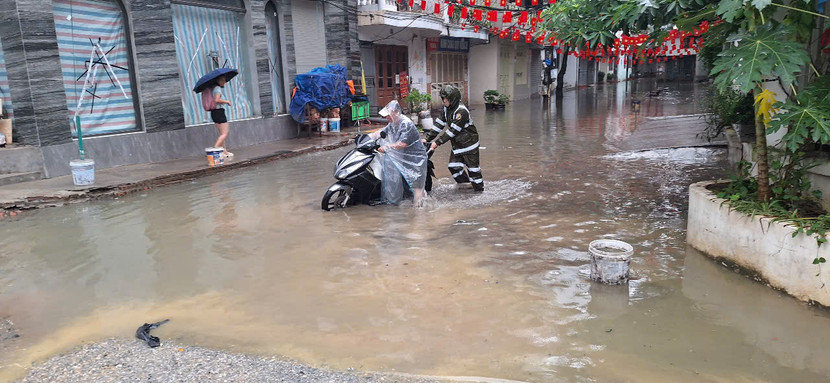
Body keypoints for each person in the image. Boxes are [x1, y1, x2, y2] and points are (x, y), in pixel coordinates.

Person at [424, 85, 483, 192]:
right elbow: (439, 124)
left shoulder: (461, 111)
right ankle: (466, 187)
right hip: (458, 145)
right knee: (454, 167)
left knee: (473, 171)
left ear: (453, 99)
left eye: (446, 99)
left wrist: (437, 143)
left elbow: (452, 131)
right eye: (443, 99)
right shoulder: (446, 109)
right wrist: (427, 138)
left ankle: (479, 192)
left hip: (469, 145)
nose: (444, 101)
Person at [368, 100, 428, 207]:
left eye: (389, 115)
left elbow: (402, 144)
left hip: (414, 158)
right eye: (386, 116)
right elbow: (382, 132)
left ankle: (419, 210)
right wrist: (367, 138)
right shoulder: (392, 123)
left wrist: (386, 147)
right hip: (401, 157)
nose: (387, 117)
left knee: (416, 185)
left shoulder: (406, 124)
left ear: (396, 113)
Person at [201, 76, 233, 158]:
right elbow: (217, 100)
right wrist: (227, 101)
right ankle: (215, 149)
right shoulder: (217, 88)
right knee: (225, 133)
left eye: (225, 80)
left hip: (214, 112)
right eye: (222, 80)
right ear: (217, 81)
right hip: (219, 112)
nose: (224, 82)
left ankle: (224, 152)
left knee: (222, 134)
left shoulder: (211, 88)